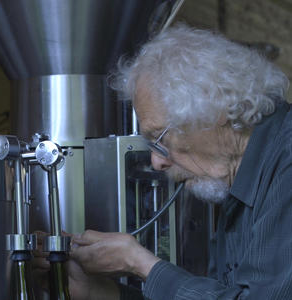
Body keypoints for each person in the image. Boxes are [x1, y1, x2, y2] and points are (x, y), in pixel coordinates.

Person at [35, 24, 292, 299]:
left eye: (160, 138)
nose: (157, 162)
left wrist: (141, 264)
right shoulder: (237, 184)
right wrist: (106, 294)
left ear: (214, 112)